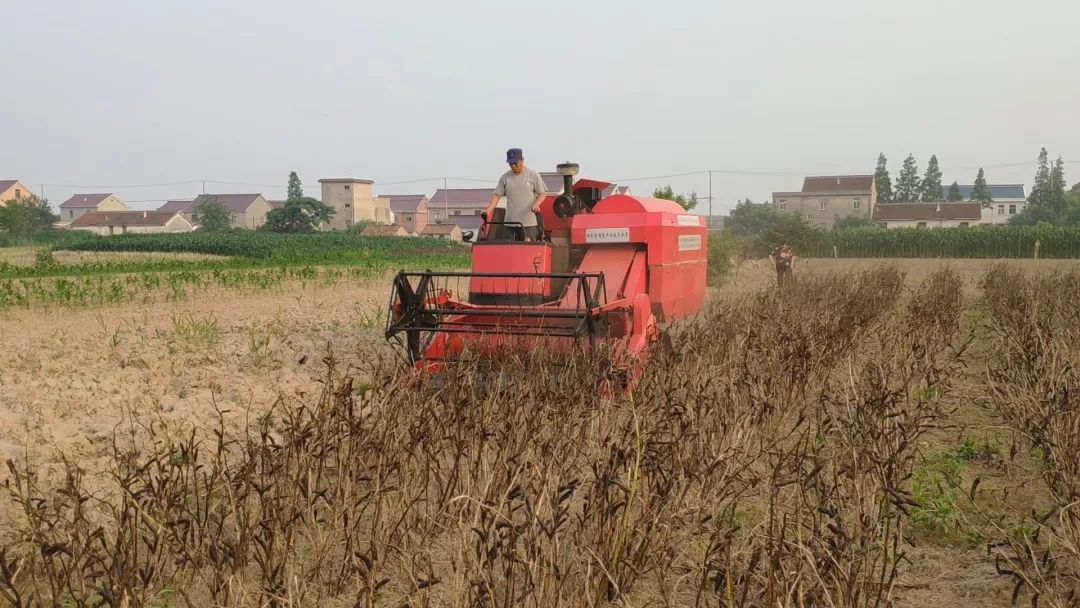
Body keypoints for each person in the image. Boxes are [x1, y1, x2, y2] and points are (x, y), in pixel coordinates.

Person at [484, 148, 547, 242]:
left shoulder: (533, 175)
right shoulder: (505, 178)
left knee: (528, 248)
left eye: (515, 163)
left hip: (528, 223)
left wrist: (536, 204)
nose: (513, 166)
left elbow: (542, 194)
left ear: (522, 161)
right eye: (510, 164)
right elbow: (497, 195)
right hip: (510, 222)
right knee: (508, 249)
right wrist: (488, 210)